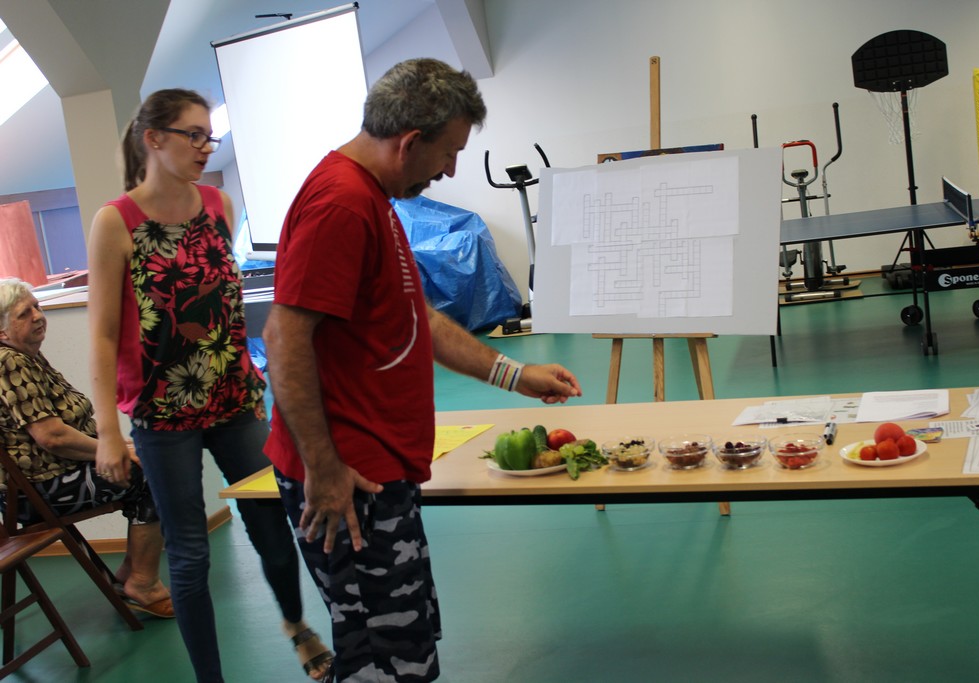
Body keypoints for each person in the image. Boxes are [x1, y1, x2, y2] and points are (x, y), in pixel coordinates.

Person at [262, 58, 582, 683]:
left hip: (378, 470)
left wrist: (516, 376)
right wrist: (324, 469)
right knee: (385, 664)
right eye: (450, 153)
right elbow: (284, 336)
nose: (451, 170)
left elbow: (417, 319)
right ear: (410, 143)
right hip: (349, 478)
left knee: (406, 648)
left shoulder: (374, 199)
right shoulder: (341, 204)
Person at [86, 89, 332, 682]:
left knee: (275, 530)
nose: (205, 147)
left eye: (208, 135)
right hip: (162, 412)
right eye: (192, 135)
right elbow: (102, 334)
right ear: (154, 139)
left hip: (236, 400)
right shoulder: (116, 221)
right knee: (191, 554)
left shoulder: (219, 205)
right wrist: (108, 432)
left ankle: (297, 627)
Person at [0, 278, 173, 618]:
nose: (38, 316)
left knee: (149, 457)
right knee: (155, 473)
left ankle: (132, 573)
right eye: (24, 313)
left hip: (53, 477)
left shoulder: (26, 356)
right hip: (36, 492)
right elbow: (52, 437)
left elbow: (68, 429)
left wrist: (118, 445)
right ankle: (141, 581)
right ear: (2, 331)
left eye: (37, 306)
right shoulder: (9, 362)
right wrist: (113, 452)